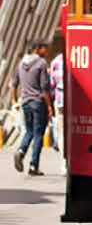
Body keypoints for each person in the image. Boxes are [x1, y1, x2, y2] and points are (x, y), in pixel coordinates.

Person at [12, 39, 52, 176]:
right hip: (38, 103)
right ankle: (33, 166)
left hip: (25, 103)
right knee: (38, 134)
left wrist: (14, 100)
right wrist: (49, 106)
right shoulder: (41, 63)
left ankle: (21, 151)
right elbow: (44, 88)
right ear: (38, 49)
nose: (47, 52)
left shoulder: (20, 63)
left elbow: (14, 83)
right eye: (45, 48)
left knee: (29, 131)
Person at [47, 45, 65, 176]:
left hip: (60, 101)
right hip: (77, 101)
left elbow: (52, 84)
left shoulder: (55, 61)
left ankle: (64, 164)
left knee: (62, 132)